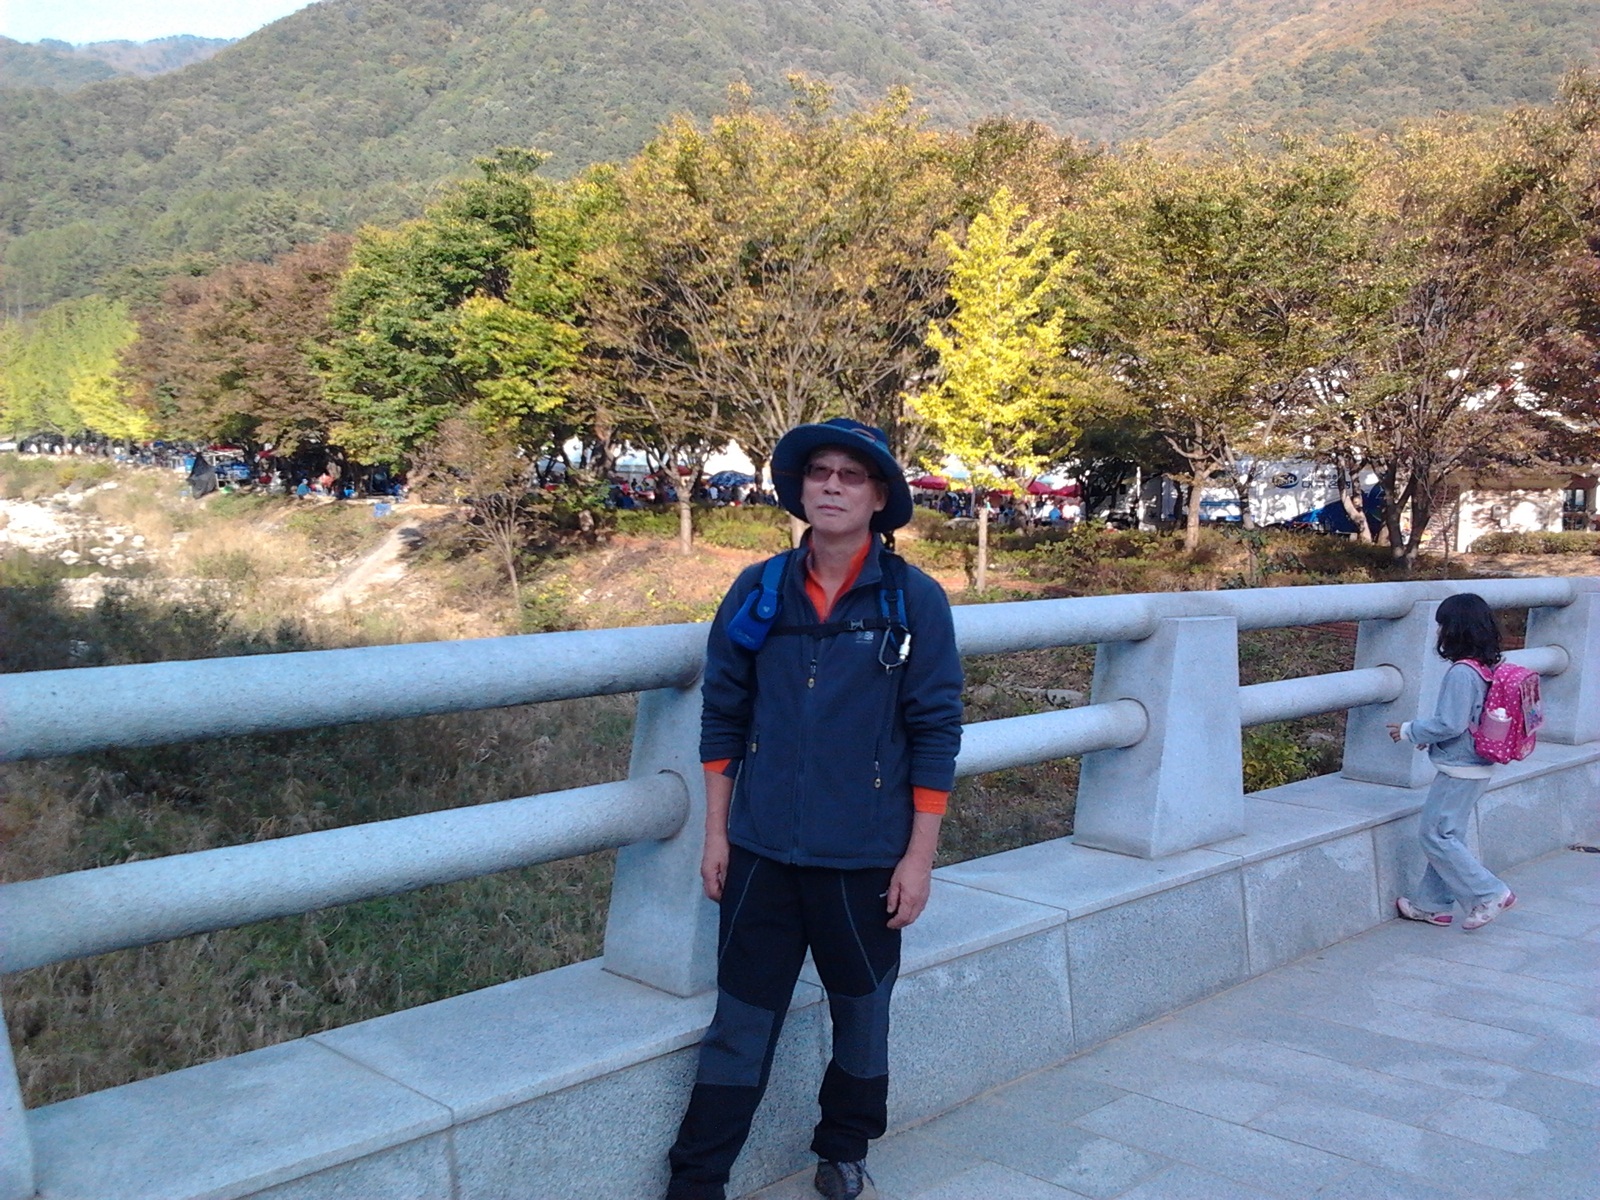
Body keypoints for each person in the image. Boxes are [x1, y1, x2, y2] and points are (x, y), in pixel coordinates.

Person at [666, 419, 964, 1200]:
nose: (832, 485)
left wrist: (919, 858)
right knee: (740, 1023)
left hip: (865, 858)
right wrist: (717, 835)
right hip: (761, 851)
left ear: (879, 497)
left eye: (851, 475)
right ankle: (696, 1181)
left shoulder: (913, 600)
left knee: (861, 1013)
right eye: (819, 472)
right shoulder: (758, 589)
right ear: (800, 489)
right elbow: (723, 715)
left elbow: (936, 732)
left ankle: (844, 1148)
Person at [1387, 592, 1518, 931]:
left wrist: (1410, 730)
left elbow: (1451, 723)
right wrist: (1431, 737)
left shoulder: (1462, 672)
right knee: (1448, 836)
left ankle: (1489, 893)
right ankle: (1432, 905)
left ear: (1455, 630)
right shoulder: (1486, 667)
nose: (1438, 632)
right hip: (1477, 763)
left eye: (1442, 625)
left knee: (1434, 835)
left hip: (1459, 767)